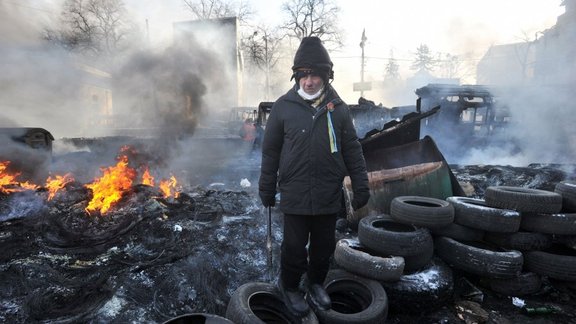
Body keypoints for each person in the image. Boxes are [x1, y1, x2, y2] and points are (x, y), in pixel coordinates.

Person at [258, 36, 370, 317]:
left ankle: (316, 283)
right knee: (294, 247)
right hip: (295, 192)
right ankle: (290, 286)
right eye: (303, 75)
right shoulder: (284, 107)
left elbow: (353, 150)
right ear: (297, 76)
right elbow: (270, 151)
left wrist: (361, 184)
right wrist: (267, 186)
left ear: (326, 76)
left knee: (323, 246)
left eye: (315, 75)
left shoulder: (339, 109)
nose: (309, 81)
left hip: (327, 192)